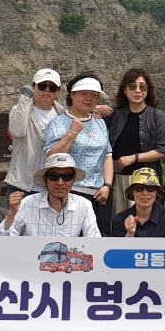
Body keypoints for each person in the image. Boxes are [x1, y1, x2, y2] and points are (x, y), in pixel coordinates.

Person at [42, 73, 115, 231]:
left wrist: (107, 185)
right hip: (71, 191)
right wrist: (72, 133)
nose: (89, 99)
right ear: (72, 94)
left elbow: (107, 156)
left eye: (94, 95)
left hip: (99, 194)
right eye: (84, 94)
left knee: (97, 240)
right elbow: (52, 156)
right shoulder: (59, 123)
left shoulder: (99, 122)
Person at [105, 68, 165, 223]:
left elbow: (164, 150)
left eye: (143, 87)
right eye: (132, 86)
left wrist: (133, 158)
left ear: (148, 90)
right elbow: (85, 115)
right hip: (118, 179)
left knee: (145, 223)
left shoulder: (157, 116)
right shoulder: (115, 114)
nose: (137, 91)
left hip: (145, 183)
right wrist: (96, 109)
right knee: (119, 222)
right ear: (125, 90)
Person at [0, 153, 101, 237]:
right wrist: (12, 213)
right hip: (33, 260)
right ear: (45, 179)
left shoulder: (84, 205)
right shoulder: (28, 203)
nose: (60, 182)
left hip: (68, 261)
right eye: (54, 176)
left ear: (73, 180)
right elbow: (3, 240)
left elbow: (94, 240)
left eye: (67, 176)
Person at [5, 68, 67, 198]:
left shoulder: (63, 114)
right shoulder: (19, 110)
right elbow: (17, 131)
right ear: (34, 87)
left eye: (52, 88)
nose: (47, 90)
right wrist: (24, 98)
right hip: (22, 185)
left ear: (58, 92)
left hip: (52, 186)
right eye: (42, 86)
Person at [111, 166, 165, 237]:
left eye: (151, 188)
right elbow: (118, 248)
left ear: (157, 192)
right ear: (132, 192)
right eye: (138, 188)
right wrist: (129, 234)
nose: (145, 193)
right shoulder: (119, 220)